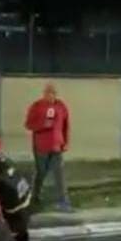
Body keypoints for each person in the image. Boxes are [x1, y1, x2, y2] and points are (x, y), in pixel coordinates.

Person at [24, 83, 72, 212]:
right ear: (44, 93)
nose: (51, 95)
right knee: (40, 173)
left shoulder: (61, 106)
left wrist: (66, 142)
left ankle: (63, 201)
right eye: (48, 93)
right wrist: (42, 125)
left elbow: (66, 126)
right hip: (41, 147)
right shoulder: (37, 106)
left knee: (59, 174)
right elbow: (28, 124)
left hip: (57, 147)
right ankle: (35, 198)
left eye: (53, 93)